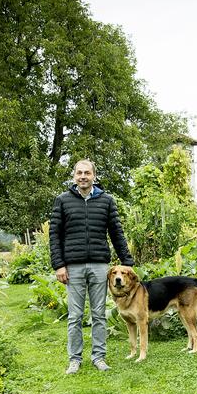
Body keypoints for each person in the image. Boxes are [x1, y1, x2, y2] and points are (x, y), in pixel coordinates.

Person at [49, 159, 134, 374]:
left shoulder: (106, 201)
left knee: (99, 314)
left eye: (87, 173)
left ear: (94, 176)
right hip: (73, 266)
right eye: (79, 173)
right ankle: (74, 360)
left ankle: (99, 357)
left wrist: (127, 261)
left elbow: (116, 232)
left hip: (99, 265)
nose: (83, 176)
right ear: (74, 176)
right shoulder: (63, 201)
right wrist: (59, 265)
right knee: (74, 316)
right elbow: (54, 235)